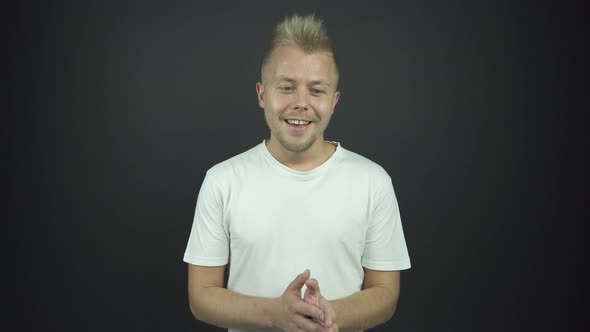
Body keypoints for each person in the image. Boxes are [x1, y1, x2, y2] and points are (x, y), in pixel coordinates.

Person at [183, 13, 411, 332]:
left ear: (334, 101)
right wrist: (276, 314)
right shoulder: (222, 181)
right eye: (286, 87)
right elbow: (201, 296)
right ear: (263, 95)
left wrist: (331, 314)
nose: (301, 103)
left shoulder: (373, 182)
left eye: (316, 91)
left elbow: (386, 293)